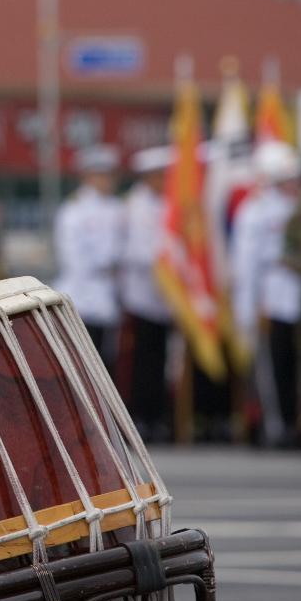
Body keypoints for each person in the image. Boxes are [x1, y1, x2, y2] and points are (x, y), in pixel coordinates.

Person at [232, 140, 301, 447]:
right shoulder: (254, 211)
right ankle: (277, 426)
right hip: (273, 297)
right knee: (275, 366)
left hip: (295, 292)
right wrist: (246, 309)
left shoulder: (295, 207)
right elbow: (246, 264)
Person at [120, 146, 174, 443]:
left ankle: (156, 418)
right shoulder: (135, 205)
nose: (162, 181)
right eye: (157, 176)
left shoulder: (168, 203)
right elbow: (139, 251)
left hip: (165, 299)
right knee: (139, 363)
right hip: (141, 296)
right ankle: (139, 418)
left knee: (160, 361)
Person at [54, 144, 125, 366]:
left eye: (110, 174)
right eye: (101, 174)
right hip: (81, 299)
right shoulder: (73, 210)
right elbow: (72, 258)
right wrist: (105, 264)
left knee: (107, 365)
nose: (108, 180)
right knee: (83, 365)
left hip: (109, 297)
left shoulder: (117, 207)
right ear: (87, 176)